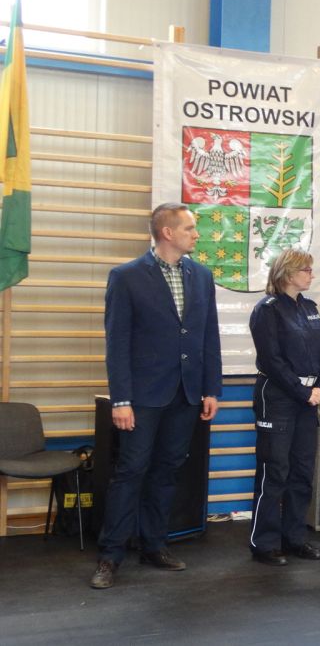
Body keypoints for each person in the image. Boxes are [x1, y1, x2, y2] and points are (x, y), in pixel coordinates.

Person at [90, 203, 221, 590]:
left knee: (167, 470)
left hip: (186, 393)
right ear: (167, 232)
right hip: (143, 396)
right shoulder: (127, 276)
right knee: (131, 471)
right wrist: (121, 400)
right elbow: (117, 344)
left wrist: (211, 389)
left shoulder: (201, 276)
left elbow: (208, 336)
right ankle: (110, 555)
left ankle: (154, 544)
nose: (196, 234)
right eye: (190, 228)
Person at [246, 248, 320, 566]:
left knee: (302, 470)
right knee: (275, 470)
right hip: (279, 397)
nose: (311, 275)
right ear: (288, 273)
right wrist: (301, 391)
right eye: (306, 270)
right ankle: (264, 542)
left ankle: (294, 537)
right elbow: (271, 360)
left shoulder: (309, 308)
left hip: (307, 399)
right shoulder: (267, 310)